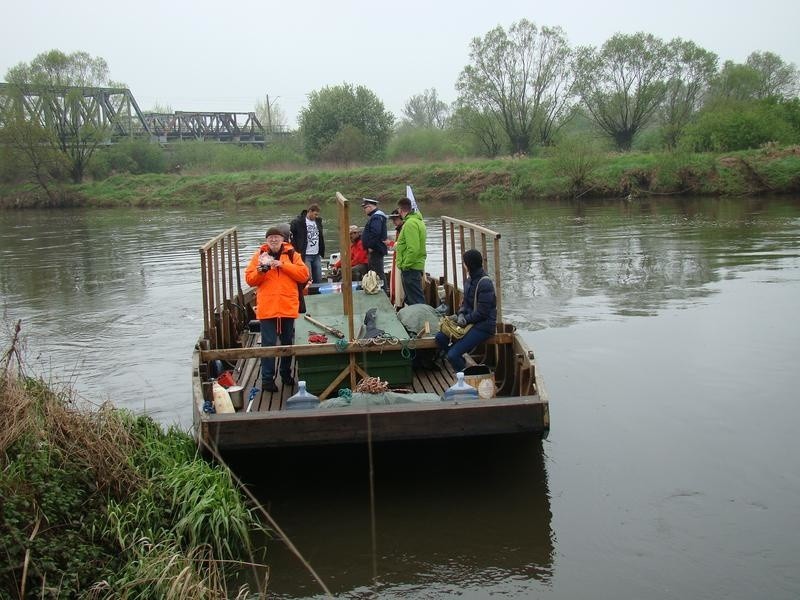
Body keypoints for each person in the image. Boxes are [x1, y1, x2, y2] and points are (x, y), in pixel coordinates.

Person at [245, 226, 310, 392]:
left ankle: (286, 374)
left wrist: (282, 265)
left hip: (287, 307)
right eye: (270, 238)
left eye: (277, 237)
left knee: (287, 343)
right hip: (267, 309)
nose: (273, 240)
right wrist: (261, 271)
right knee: (268, 345)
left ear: (283, 240)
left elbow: (304, 275)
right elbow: (250, 280)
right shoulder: (259, 256)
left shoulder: (292, 255)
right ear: (267, 241)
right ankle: (267, 380)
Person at [435, 249, 497, 373]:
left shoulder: (485, 284)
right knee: (440, 337)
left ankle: (466, 378)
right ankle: (462, 365)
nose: (463, 265)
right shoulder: (469, 280)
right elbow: (465, 303)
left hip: (483, 326)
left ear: (469, 265)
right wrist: (461, 313)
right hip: (469, 322)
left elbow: (483, 313)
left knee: (453, 355)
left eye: (464, 263)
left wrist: (465, 319)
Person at [394, 197, 426, 305]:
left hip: (411, 268)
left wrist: (405, 265)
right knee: (413, 298)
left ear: (400, 210)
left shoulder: (410, 224)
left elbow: (413, 248)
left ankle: (421, 320)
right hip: (414, 266)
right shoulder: (418, 221)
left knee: (416, 300)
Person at [290, 203, 325, 284]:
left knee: (318, 278)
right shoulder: (298, 222)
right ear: (310, 211)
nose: (316, 216)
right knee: (307, 278)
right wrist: (296, 249)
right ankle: (308, 294)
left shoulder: (318, 221)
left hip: (316, 254)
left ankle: (317, 293)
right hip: (305, 254)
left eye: (317, 215)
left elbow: (320, 236)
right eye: (315, 214)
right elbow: (291, 235)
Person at [359, 198, 388, 290]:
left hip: (375, 250)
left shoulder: (376, 217)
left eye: (365, 207)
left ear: (370, 207)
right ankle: (378, 289)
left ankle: (383, 291)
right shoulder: (377, 216)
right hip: (376, 249)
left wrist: (371, 246)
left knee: (378, 272)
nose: (364, 210)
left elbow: (376, 233)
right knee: (376, 272)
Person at [386, 208, 405, 307]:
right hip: (397, 257)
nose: (393, 222)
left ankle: (400, 303)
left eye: (395, 219)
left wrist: (390, 243)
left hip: (402, 259)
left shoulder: (404, 229)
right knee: (397, 283)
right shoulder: (399, 229)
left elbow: (401, 245)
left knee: (400, 284)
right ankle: (398, 302)